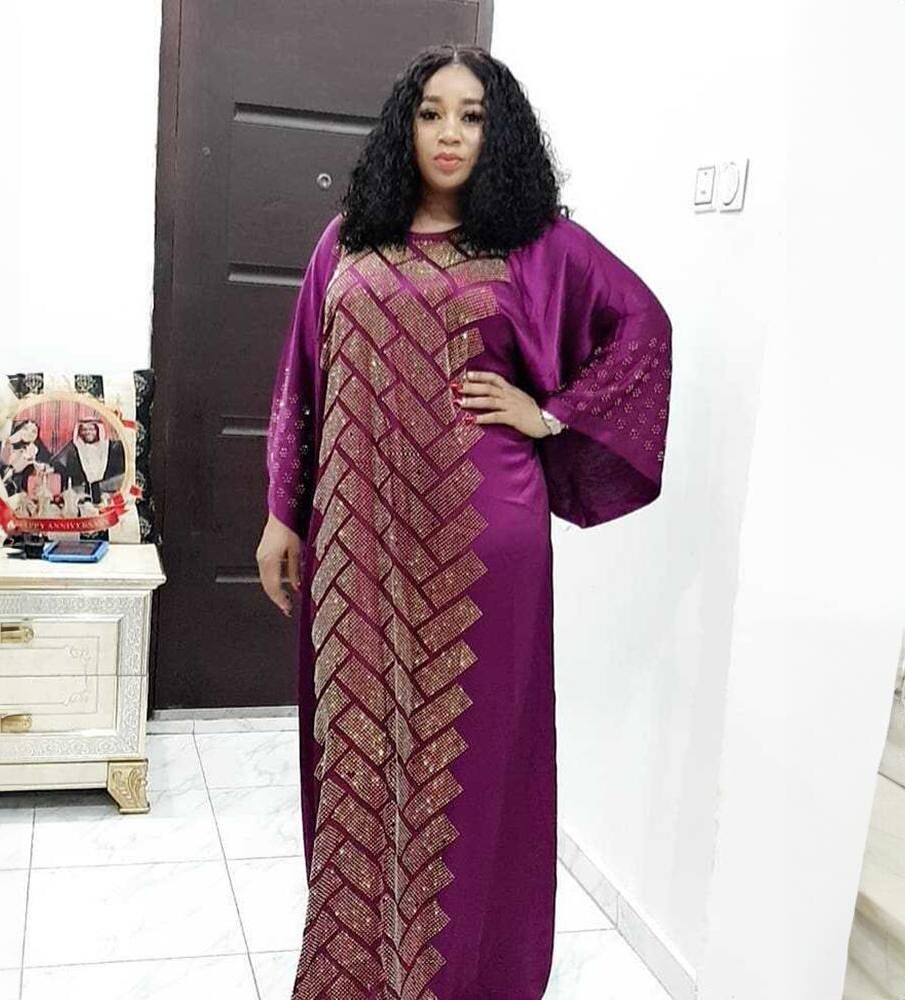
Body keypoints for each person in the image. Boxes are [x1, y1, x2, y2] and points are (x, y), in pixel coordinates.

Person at [257, 42, 672, 1000]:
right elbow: (301, 381)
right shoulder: (345, 242)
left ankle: (461, 978)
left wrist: (550, 413)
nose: (450, 133)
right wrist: (284, 512)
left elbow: (643, 328)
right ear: (404, 126)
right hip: (355, 540)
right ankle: (355, 973)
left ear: (499, 134)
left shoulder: (535, 246)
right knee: (356, 751)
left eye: (473, 116)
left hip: (483, 544)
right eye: (432, 112)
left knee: (468, 765)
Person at [53, 418, 125, 504]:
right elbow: (57, 462)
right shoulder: (75, 448)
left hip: (107, 495)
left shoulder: (111, 447)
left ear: (98, 430)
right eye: (84, 429)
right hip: (82, 497)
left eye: (91, 429)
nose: (87, 432)